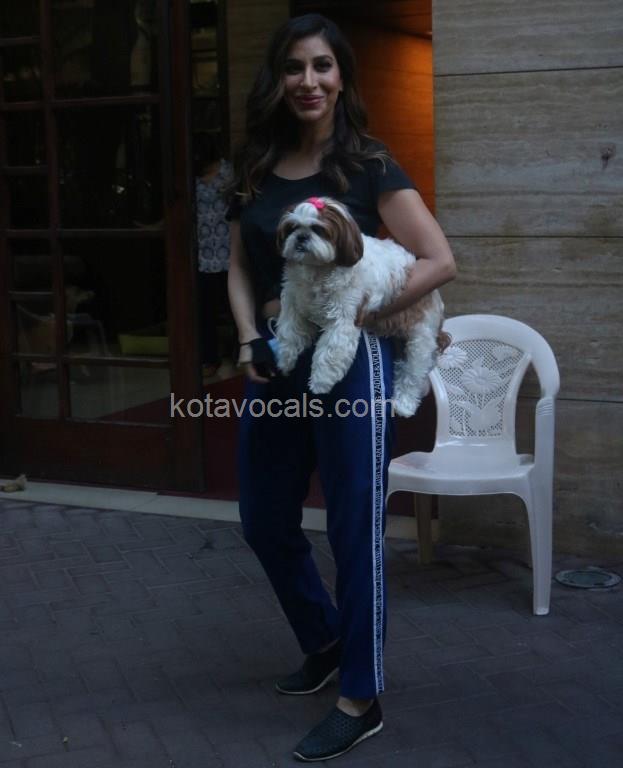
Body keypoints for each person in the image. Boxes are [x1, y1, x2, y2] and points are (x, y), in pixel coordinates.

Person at [227, 13, 456, 762]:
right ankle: (324, 640)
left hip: (351, 360)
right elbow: (239, 264)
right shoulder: (257, 164)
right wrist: (247, 337)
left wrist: (363, 314)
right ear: (277, 78)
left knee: (353, 528)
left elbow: (438, 260)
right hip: (277, 353)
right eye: (294, 67)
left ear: (341, 77)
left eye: (322, 66)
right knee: (264, 518)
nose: (309, 81)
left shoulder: (368, 164)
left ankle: (360, 695)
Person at [193, 133, 234, 380]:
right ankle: (209, 358)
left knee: (234, 308)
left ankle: (242, 355)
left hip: (230, 252)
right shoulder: (192, 178)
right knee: (204, 311)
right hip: (203, 255)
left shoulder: (229, 174)